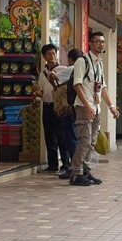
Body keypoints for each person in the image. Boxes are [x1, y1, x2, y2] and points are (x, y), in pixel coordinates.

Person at [69, 31, 120, 187]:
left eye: (103, 42)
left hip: (96, 108)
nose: (101, 44)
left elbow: (102, 87)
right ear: (90, 43)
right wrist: (86, 105)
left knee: (91, 142)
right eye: (97, 41)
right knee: (84, 141)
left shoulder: (99, 63)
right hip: (85, 107)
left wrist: (111, 106)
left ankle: (85, 170)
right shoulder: (82, 61)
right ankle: (76, 173)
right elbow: (77, 85)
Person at [36, 44, 68, 172]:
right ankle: (52, 164)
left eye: (54, 53)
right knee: (49, 136)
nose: (52, 56)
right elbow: (43, 92)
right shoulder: (42, 74)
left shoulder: (63, 69)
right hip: (47, 106)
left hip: (59, 106)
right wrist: (36, 94)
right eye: (49, 54)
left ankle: (66, 164)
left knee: (62, 136)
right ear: (44, 56)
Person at [57, 48, 83, 179]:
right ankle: (80, 167)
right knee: (80, 139)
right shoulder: (85, 70)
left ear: (71, 59)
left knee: (71, 138)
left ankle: (74, 168)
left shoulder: (71, 69)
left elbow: (54, 78)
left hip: (70, 109)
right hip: (82, 109)